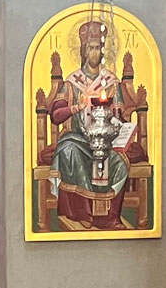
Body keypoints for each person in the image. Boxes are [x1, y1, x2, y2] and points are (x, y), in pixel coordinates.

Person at [45, 19, 148, 230]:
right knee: (69, 151)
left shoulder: (110, 81)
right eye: (90, 48)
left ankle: (110, 217)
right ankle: (82, 213)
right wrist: (77, 107)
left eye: (98, 48)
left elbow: (120, 115)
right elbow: (55, 115)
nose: (94, 53)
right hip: (77, 138)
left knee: (120, 161)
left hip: (107, 139)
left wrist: (119, 126)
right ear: (83, 50)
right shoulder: (72, 82)